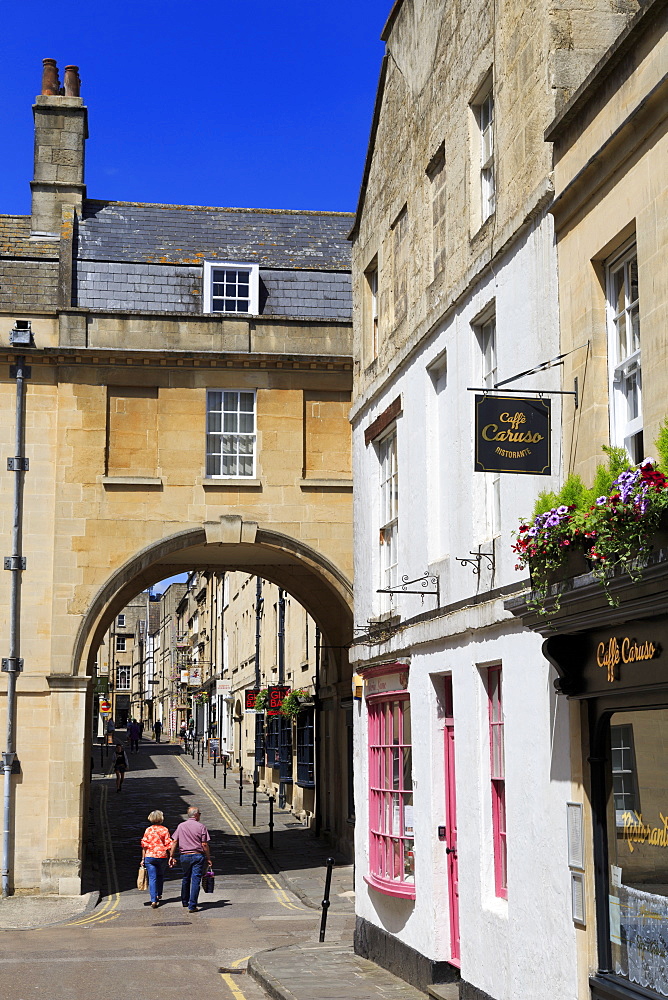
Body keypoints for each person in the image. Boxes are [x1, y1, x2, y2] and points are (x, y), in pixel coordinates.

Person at [169, 806, 211, 912]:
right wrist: (208, 857)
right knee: (196, 880)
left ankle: (184, 901)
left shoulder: (181, 826)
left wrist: (171, 856)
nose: (200, 815)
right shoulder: (201, 826)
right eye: (200, 814)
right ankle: (192, 906)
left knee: (186, 877)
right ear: (196, 815)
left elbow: (174, 842)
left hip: (185, 856)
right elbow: (204, 844)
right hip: (198, 855)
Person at [140, 810, 173, 908]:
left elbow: (144, 845)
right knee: (160, 876)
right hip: (162, 856)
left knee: (152, 878)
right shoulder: (165, 830)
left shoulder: (148, 830)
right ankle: (159, 894)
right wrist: (171, 856)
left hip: (150, 856)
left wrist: (143, 858)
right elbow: (169, 844)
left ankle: (153, 900)